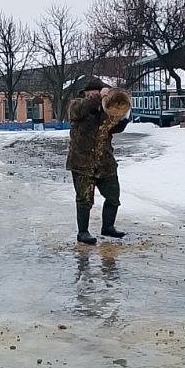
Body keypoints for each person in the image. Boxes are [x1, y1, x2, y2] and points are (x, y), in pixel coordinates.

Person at [65, 76, 131, 245]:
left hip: (105, 163)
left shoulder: (104, 111)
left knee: (113, 196)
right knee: (84, 199)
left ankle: (108, 227)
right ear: (87, 93)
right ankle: (83, 232)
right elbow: (79, 111)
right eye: (93, 94)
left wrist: (124, 115)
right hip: (82, 163)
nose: (96, 96)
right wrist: (98, 97)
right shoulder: (76, 105)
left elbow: (116, 128)